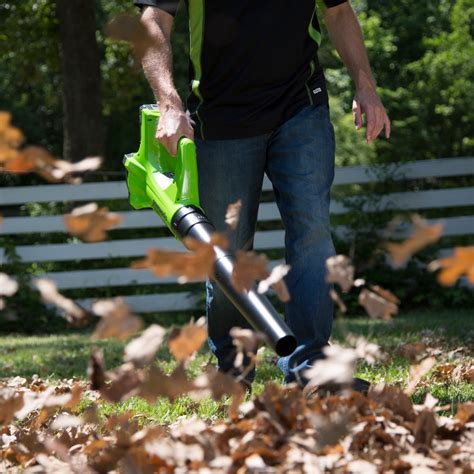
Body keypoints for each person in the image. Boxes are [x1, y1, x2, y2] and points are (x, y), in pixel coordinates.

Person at [134, 0, 390, 393]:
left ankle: (312, 369)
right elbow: (154, 20)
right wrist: (169, 101)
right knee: (226, 251)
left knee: (312, 232)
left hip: (301, 106)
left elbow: (339, 12)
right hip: (222, 118)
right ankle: (233, 371)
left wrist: (366, 86)